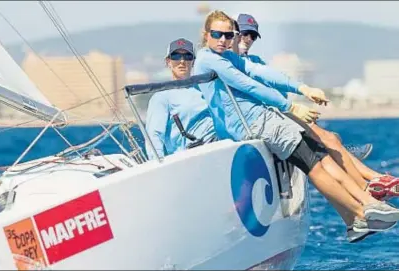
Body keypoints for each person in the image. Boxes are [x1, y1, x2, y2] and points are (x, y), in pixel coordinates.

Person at [192, 10, 399, 242]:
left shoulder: (227, 57)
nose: (223, 40)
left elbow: (259, 71)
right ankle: (362, 211)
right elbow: (246, 84)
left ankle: (364, 208)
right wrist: (290, 107)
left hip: (265, 118)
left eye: (228, 36)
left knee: (321, 158)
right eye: (217, 34)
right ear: (206, 34)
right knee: (314, 165)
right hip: (256, 124)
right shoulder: (208, 58)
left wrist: (302, 88)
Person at [231, 14, 398, 201]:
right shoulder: (227, 64)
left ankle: (369, 178)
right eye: (244, 33)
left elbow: (277, 90)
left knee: (331, 137)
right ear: (234, 33)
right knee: (328, 139)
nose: (247, 39)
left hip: (273, 115)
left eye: (252, 36)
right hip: (261, 121)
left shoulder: (254, 61)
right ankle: (372, 180)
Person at [145, 38, 216, 160]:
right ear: (168, 61)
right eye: (176, 56)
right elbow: (154, 136)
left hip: (218, 147)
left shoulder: (206, 88)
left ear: (193, 62)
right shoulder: (161, 97)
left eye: (187, 56)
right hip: (190, 156)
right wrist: (158, 164)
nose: (182, 61)